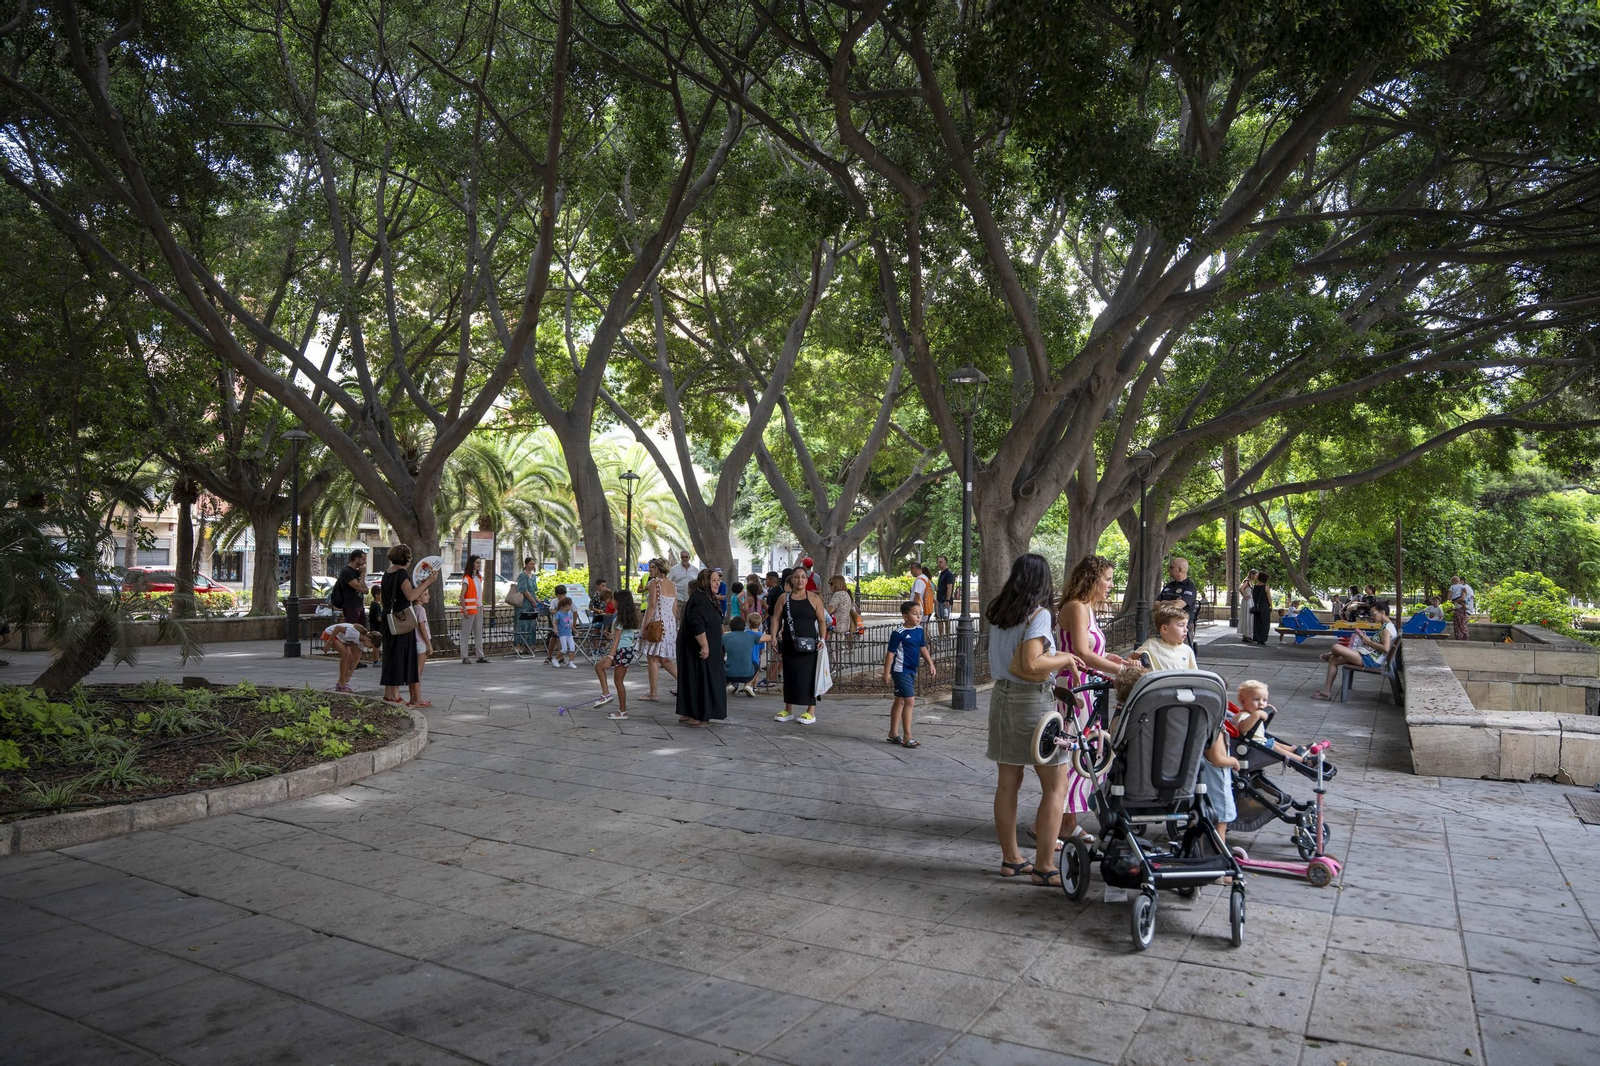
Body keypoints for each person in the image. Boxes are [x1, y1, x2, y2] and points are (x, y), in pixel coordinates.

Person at [987, 553, 1086, 886]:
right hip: (1032, 704)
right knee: (1056, 786)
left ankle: (1011, 859)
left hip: (1001, 699)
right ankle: (1045, 865)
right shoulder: (1039, 615)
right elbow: (1031, 663)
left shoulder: (1000, 611)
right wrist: (1066, 657)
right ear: (1044, 581)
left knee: (1007, 784)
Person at [1054, 555, 1131, 850]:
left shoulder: (1087, 608)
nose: (1111, 585)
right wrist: (1124, 671)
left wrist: (1110, 661)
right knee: (1075, 755)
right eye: (1108, 579)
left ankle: (1067, 822)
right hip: (1074, 687)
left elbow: (1090, 651)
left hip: (1088, 686)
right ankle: (1055, 824)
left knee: (1086, 755)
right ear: (1092, 579)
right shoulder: (1076, 607)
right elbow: (1083, 654)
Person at [380, 544, 439, 707]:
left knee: (390, 655)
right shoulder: (401, 574)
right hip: (401, 619)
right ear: (405, 558)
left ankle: (388, 694)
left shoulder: (387, 573)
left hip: (388, 617)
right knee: (398, 656)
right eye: (410, 557)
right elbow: (411, 595)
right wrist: (428, 581)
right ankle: (395, 695)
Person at [770, 567, 828, 725]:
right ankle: (788, 708)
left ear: (807, 579)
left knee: (810, 676)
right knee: (790, 674)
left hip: (811, 643)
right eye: (796, 577)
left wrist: (822, 639)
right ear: (791, 579)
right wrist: (773, 636)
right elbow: (776, 618)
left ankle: (811, 710)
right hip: (790, 643)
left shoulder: (815, 598)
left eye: (803, 577)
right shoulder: (784, 598)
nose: (800, 580)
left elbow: (822, 621)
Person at [676, 570, 727, 727]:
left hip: (694, 649)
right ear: (704, 582)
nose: (717, 583)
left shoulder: (702, 597)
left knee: (693, 678)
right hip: (699, 650)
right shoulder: (701, 599)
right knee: (702, 681)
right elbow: (697, 623)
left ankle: (689, 712)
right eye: (713, 580)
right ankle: (697, 716)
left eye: (718, 580)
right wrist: (705, 646)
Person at [1312, 603, 1395, 699]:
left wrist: (1369, 642)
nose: (1372, 616)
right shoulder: (1386, 626)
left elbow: (1386, 648)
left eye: (1373, 613)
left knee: (1336, 647)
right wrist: (1366, 638)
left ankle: (1332, 653)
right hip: (1367, 655)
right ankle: (1326, 692)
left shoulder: (1386, 629)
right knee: (1333, 659)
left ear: (1382, 612)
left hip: (1371, 659)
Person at [883, 600, 935, 747]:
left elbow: (923, 648)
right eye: (914, 614)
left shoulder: (919, 630)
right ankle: (907, 736)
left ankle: (893, 733)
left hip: (912, 670)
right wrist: (886, 672)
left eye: (920, 614)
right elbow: (890, 653)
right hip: (900, 670)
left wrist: (931, 663)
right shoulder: (898, 633)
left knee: (899, 700)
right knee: (910, 700)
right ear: (905, 617)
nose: (918, 617)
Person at [1198, 705, 1242, 857]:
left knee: (1198, 821)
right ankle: (1219, 862)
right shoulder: (1215, 730)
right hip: (1218, 789)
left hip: (1203, 786)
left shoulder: (1201, 725)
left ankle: (1197, 856)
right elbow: (1217, 759)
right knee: (1220, 826)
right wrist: (1234, 761)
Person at [595, 590, 641, 718]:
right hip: (625, 650)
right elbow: (621, 637)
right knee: (599, 667)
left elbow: (617, 642)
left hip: (622, 651)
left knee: (618, 681)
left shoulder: (620, 618)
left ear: (620, 602)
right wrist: (611, 635)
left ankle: (622, 710)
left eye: (614, 600)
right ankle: (606, 694)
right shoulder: (624, 616)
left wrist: (610, 657)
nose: (612, 601)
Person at [640, 560, 680, 700]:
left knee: (652, 658)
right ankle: (685, 683)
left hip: (657, 622)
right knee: (664, 659)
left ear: (658, 568)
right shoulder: (673, 585)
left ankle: (653, 692)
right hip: (669, 624)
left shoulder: (654, 583)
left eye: (653, 567)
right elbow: (675, 609)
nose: (651, 570)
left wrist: (644, 626)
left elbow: (651, 606)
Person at [1134, 602, 1199, 671]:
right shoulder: (1151, 644)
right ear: (1165, 629)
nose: (1186, 630)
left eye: (1186, 626)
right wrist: (1134, 662)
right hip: (1159, 681)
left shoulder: (1187, 650)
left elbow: (1194, 674)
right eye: (1181, 625)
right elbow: (1131, 658)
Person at [1156, 556, 1200, 646]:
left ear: (1180, 570)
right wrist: (1172, 602)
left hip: (1182, 626)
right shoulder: (1169, 586)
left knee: (1181, 653)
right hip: (1166, 624)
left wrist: (1164, 602)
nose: (1169, 569)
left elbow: (1177, 605)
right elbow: (1155, 605)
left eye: (1171, 567)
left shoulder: (1189, 587)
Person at [322, 621, 376, 692]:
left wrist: (349, 675)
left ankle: (341, 683)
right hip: (330, 634)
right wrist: (329, 643)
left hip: (339, 637)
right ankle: (342, 682)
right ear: (369, 640)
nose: (369, 648)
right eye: (371, 646)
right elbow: (337, 628)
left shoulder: (362, 641)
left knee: (350, 657)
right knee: (346, 654)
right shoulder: (355, 634)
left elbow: (356, 658)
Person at [722, 615, 767, 697]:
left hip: (729, 674)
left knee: (721, 662)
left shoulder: (725, 637)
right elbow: (767, 638)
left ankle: (729, 684)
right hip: (748, 675)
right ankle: (748, 685)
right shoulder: (751, 636)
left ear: (731, 627)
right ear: (744, 626)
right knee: (756, 664)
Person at [459, 554, 489, 665]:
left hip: (478, 608)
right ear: (472, 564)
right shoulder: (467, 578)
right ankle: (465, 656)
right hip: (470, 610)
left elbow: (478, 594)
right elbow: (462, 595)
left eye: (480, 563)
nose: (479, 565)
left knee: (478, 633)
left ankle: (480, 656)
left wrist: (482, 606)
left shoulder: (479, 577)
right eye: (477, 563)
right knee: (465, 634)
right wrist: (464, 609)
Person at [513, 558, 541, 657]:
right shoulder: (522, 575)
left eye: (533, 564)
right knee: (522, 624)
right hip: (523, 604)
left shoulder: (533, 577)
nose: (532, 566)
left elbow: (533, 591)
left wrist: (537, 600)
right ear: (526, 564)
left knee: (531, 624)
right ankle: (519, 645)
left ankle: (528, 645)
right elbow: (524, 590)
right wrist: (533, 601)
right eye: (530, 564)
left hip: (531, 604)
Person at [336, 549, 369, 630]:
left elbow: (366, 590)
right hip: (351, 605)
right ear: (356, 559)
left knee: (362, 629)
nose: (364, 562)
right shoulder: (346, 572)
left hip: (359, 604)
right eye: (363, 559)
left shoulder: (357, 572)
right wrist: (363, 575)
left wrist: (361, 578)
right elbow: (358, 587)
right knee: (352, 629)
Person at [414, 586, 434, 694]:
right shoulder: (420, 609)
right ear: (418, 597)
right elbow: (422, 627)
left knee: (417, 670)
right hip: (421, 642)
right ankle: (417, 696)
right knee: (419, 670)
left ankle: (415, 695)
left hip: (415, 641)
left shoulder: (414, 608)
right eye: (425, 594)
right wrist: (429, 644)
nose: (428, 596)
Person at [668, 549, 697, 620]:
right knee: (674, 619)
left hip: (689, 599)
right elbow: (669, 582)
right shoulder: (674, 569)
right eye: (682, 557)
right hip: (677, 598)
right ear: (680, 558)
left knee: (686, 620)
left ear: (689, 557)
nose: (684, 559)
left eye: (686, 557)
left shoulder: (695, 570)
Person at [543, 584, 567, 664]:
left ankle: (561, 657)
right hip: (556, 625)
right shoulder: (554, 601)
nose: (562, 597)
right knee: (553, 639)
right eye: (560, 595)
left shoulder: (568, 601)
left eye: (563, 595)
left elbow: (574, 611)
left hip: (564, 625)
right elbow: (551, 611)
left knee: (560, 640)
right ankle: (549, 656)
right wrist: (558, 610)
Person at [1448, 574, 1475, 640]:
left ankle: (1463, 640)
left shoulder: (1463, 587)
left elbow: (1462, 598)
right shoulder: (1462, 587)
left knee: (1461, 626)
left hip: (1462, 610)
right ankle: (1460, 640)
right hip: (1460, 609)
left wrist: (1452, 601)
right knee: (1458, 627)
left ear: (1461, 581)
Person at [553, 596, 577, 668]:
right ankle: (555, 659)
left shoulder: (569, 613)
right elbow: (555, 623)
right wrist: (556, 629)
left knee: (572, 648)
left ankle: (571, 662)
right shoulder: (559, 614)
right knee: (564, 649)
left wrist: (575, 631)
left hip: (569, 633)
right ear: (567, 605)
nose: (571, 607)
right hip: (562, 634)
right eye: (570, 605)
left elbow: (570, 624)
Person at [909, 560, 935, 628]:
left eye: (911, 570)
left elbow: (917, 595)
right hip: (925, 608)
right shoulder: (926, 579)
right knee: (922, 630)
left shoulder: (919, 580)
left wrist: (912, 608)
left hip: (918, 609)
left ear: (914, 568)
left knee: (916, 630)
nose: (911, 573)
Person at [1250, 571, 1274, 645]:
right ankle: (1262, 638)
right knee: (1265, 623)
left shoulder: (1254, 587)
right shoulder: (1266, 587)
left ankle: (1257, 638)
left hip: (1257, 607)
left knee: (1257, 623)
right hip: (1264, 607)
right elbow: (1269, 598)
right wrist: (1271, 606)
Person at [935, 555, 955, 637]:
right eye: (938, 562)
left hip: (945, 601)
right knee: (939, 618)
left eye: (940, 562)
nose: (939, 564)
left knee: (946, 619)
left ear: (945, 563)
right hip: (939, 600)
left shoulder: (948, 574)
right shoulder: (942, 574)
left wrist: (947, 600)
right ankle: (941, 636)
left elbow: (949, 588)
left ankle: (947, 635)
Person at [1237, 569, 1258, 643]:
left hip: (1250, 600)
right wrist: (1245, 596)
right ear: (1252, 574)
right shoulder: (1247, 581)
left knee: (1249, 617)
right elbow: (1241, 588)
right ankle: (1246, 635)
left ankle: (1247, 635)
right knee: (1247, 616)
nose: (1256, 577)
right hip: (1247, 601)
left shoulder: (1250, 582)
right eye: (1255, 575)